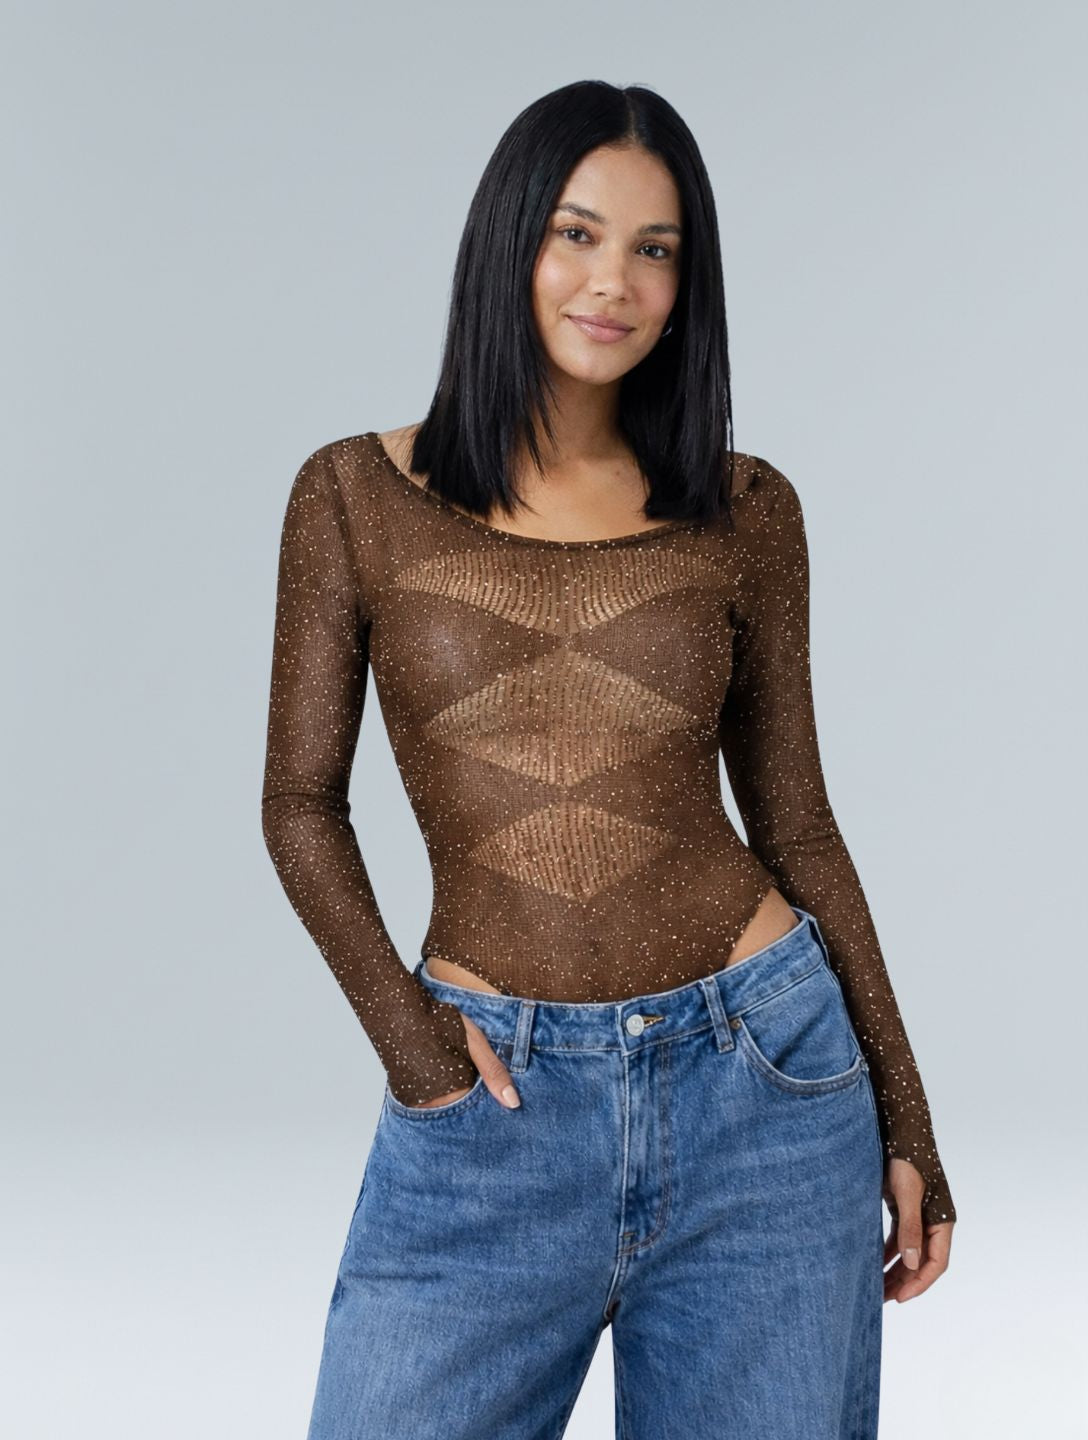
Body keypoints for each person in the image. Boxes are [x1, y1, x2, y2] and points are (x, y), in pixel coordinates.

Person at [261, 80, 956, 1440]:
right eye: (576, 234)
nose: (613, 282)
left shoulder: (745, 509)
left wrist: (908, 1117)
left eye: (656, 249)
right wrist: (414, 1048)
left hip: (765, 1087)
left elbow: (799, 825)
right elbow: (299, 805)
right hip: (492, 1108)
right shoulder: (353, 496)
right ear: (509, 241)